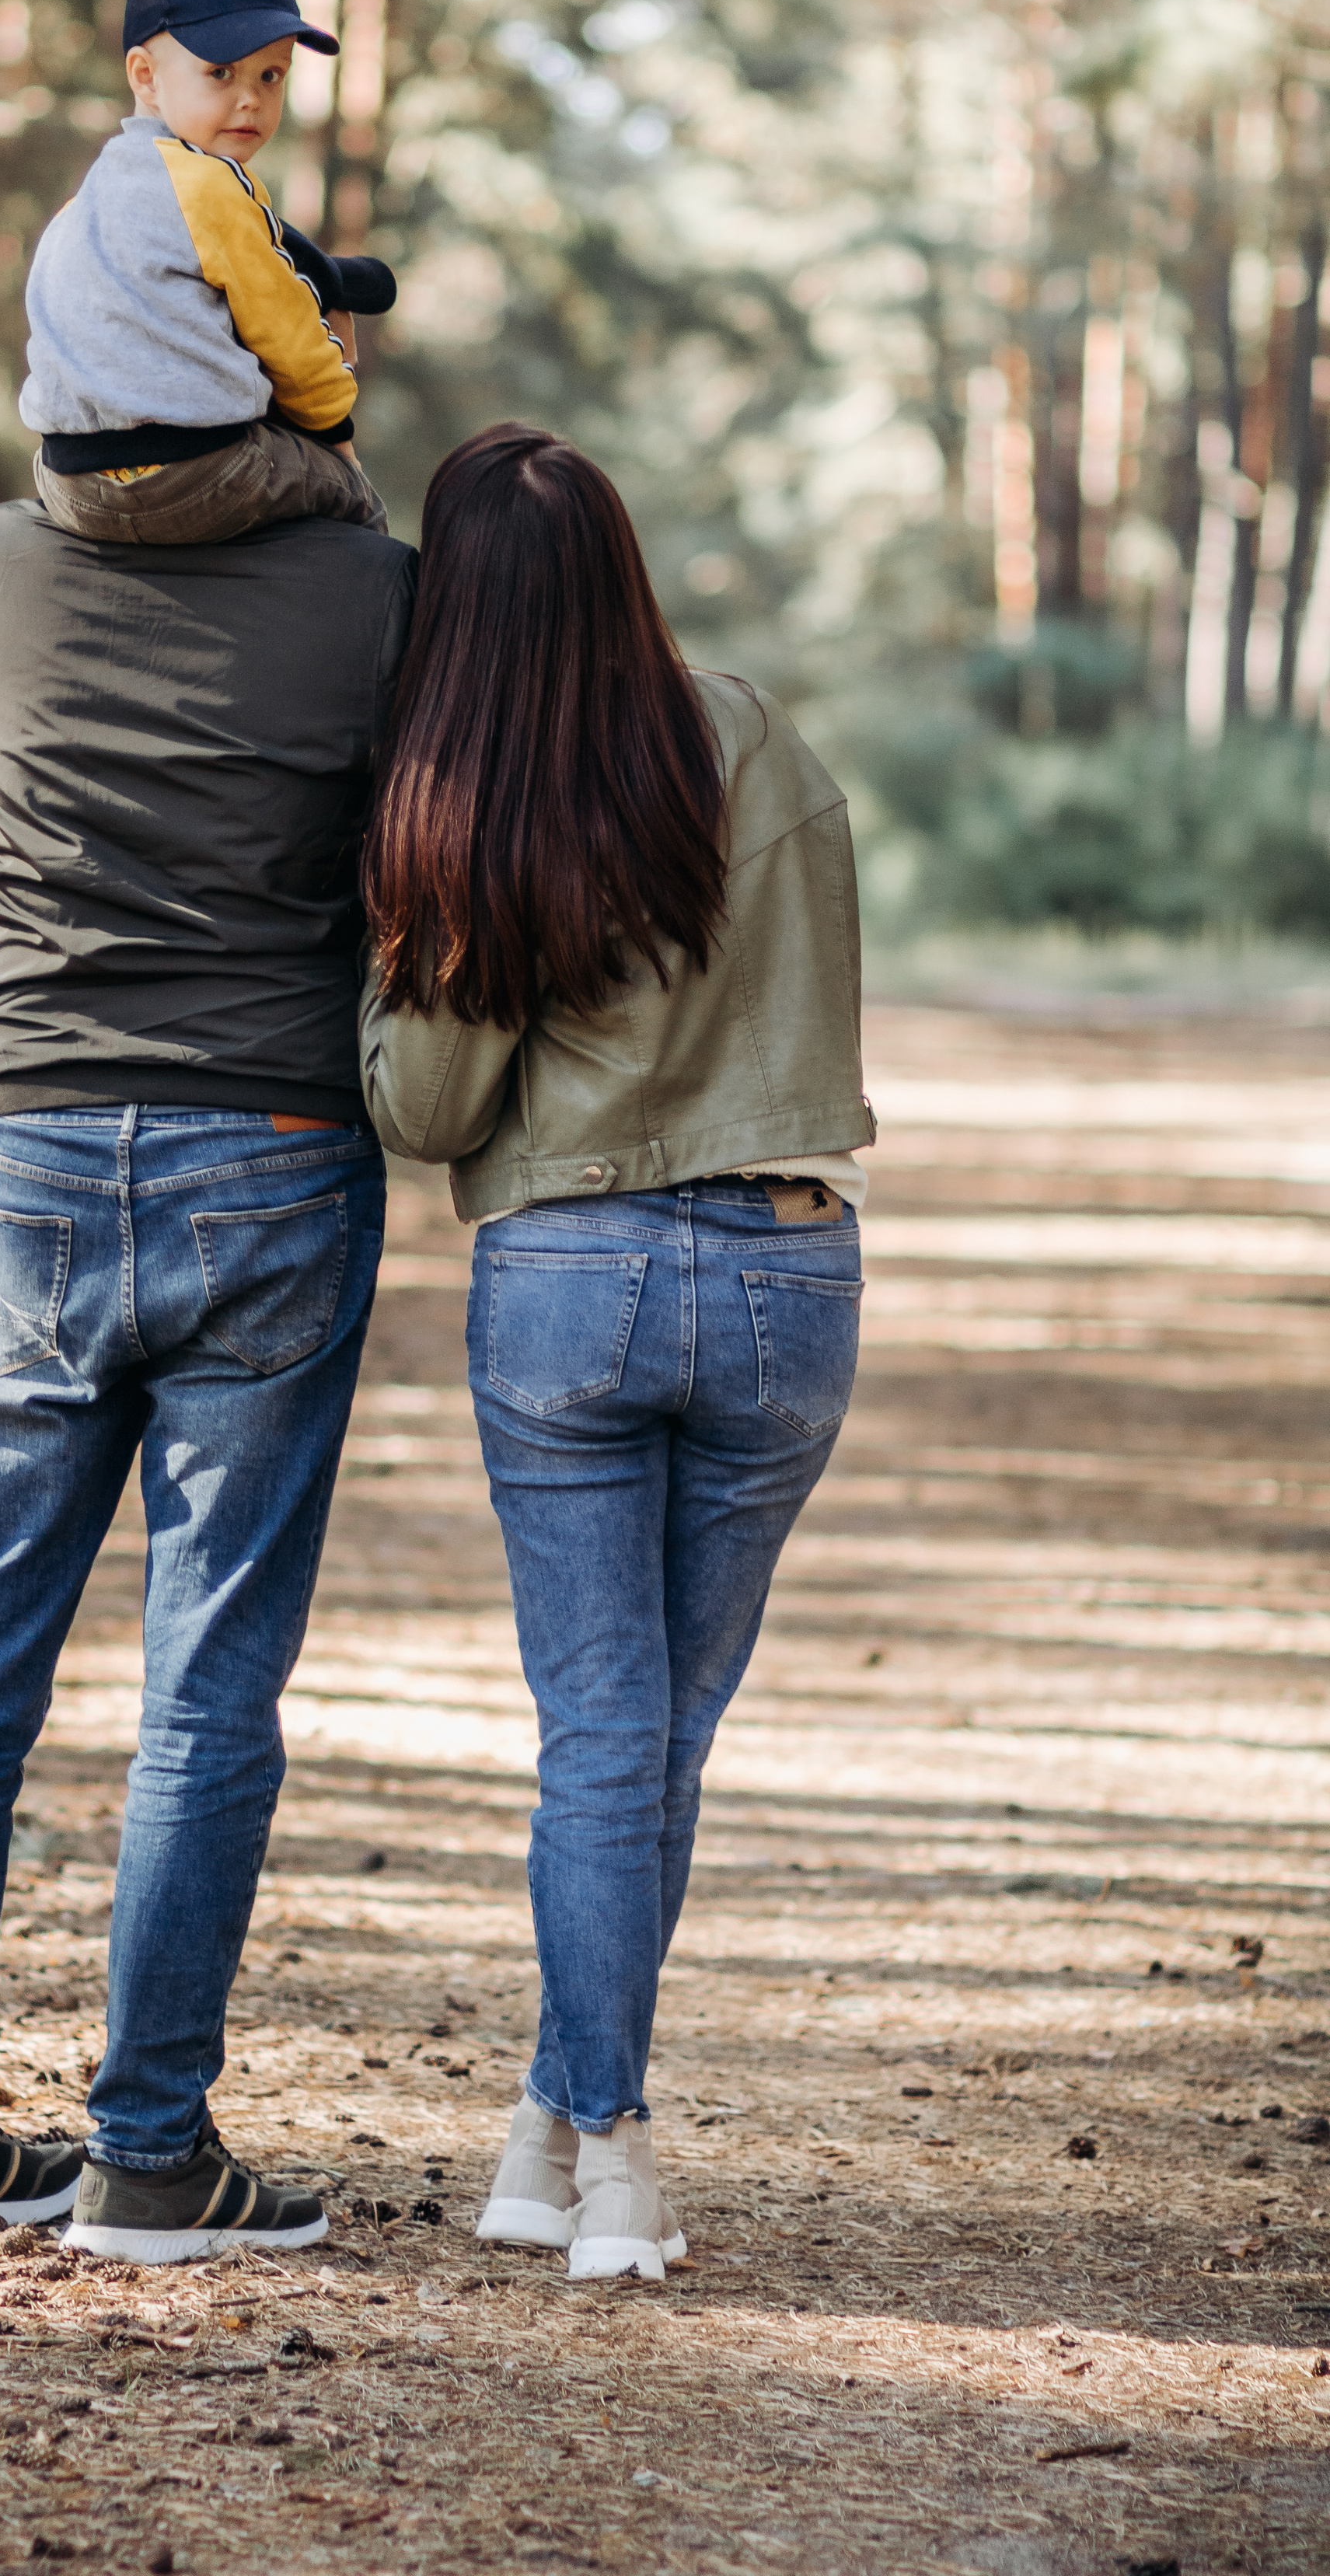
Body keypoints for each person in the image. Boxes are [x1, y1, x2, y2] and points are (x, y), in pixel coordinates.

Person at [0, 479, 414, 2260]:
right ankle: (149, 2153)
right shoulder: (368, 587)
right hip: (268, 1139)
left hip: (36, 1150)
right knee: (204, 1683)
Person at [358, 424, 873, 2283]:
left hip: (566, 1273)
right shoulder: (760, 741)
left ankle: (603, 2142)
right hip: (784, 1276)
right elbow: (805, 996)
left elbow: (423, 1109)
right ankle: (551, 2119)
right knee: (656, 1742)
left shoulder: (469, 788)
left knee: (601, 1735)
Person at [19, 0, 396, 547]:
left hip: (69, 484)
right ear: (145, 76)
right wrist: (336, 431)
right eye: (220, 71)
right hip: (196, 475)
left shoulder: (78, 207)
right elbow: (289, 334)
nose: (250, 97)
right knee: (350, 498)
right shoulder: (211, 186)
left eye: (271, 75)